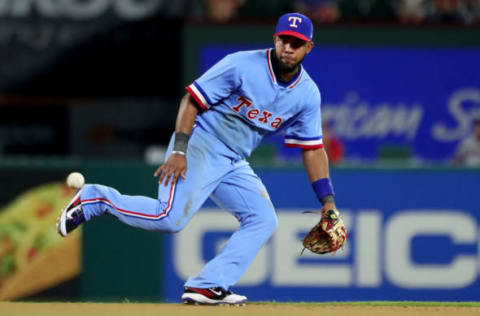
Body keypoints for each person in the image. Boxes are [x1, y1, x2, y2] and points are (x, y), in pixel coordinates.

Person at [57, 13, 342, 305]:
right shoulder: (242, 65)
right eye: (284, 40)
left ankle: (208, 285)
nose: (289, 48)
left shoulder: (307, 94)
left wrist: (327, 202)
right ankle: (96, 198)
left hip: (234, 160)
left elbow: (312, 148)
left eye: (297, 43)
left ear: (309, 48)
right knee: (168, 218)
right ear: (275, 39)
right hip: (201, 143)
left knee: (263, 219)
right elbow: (192, 100)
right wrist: (180, 150)